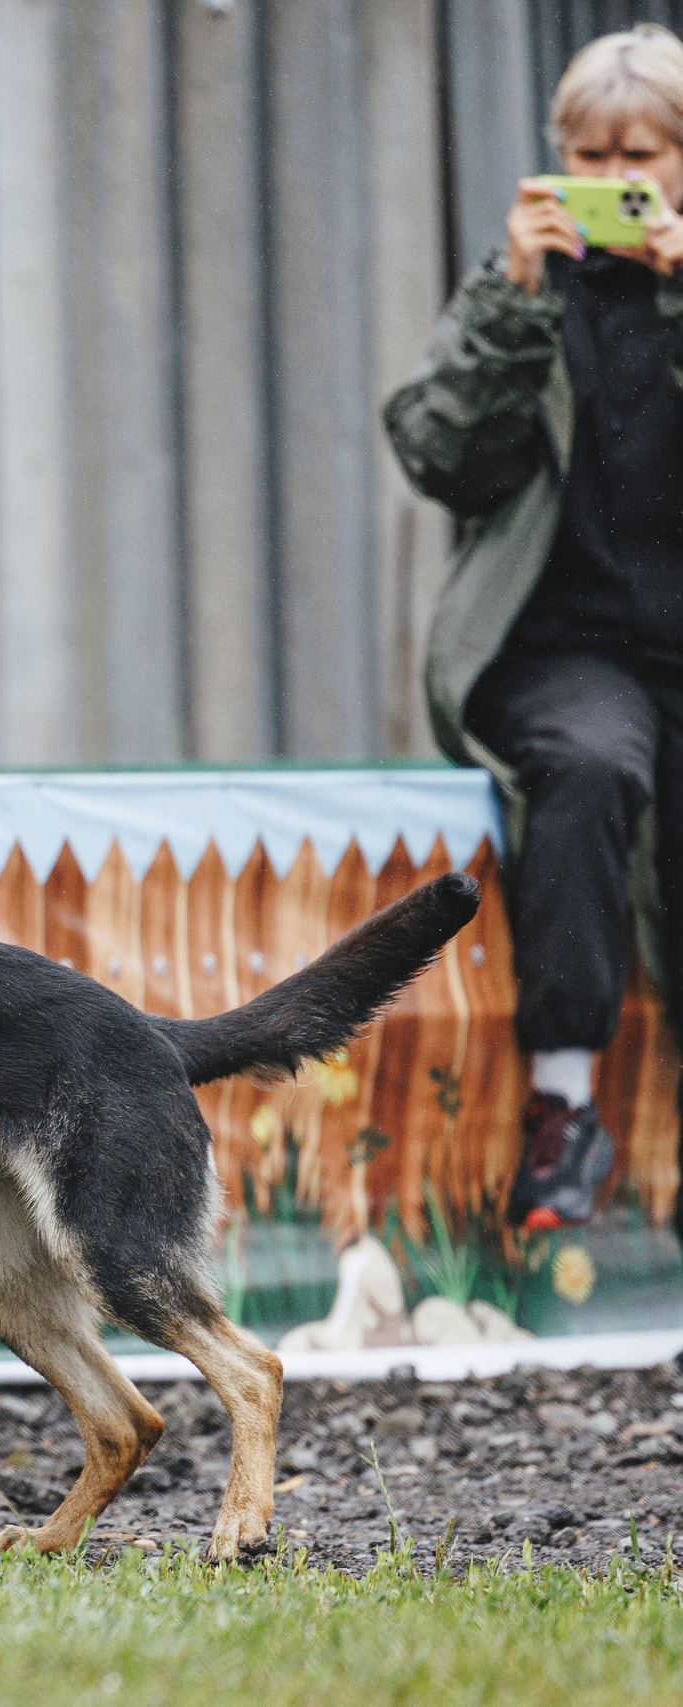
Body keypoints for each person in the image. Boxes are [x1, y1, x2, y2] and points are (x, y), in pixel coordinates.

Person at [387, 24, 683, 1233]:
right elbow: (440, 458)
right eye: (588, 154)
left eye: (641, 157)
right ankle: (563, 1109)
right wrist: (510, 299)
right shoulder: (518, 292)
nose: (615, 178)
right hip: (555, 651)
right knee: (589, 766)